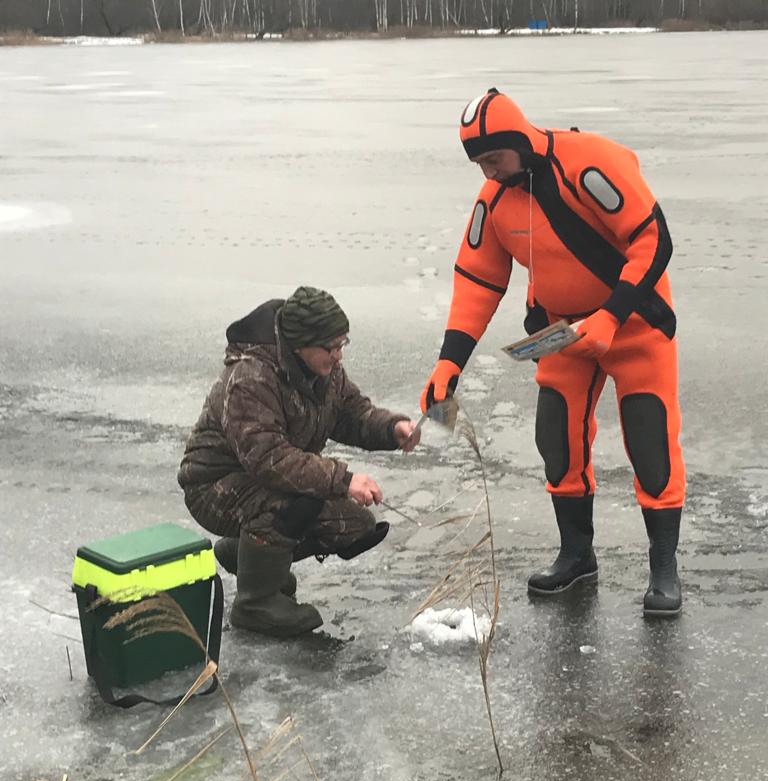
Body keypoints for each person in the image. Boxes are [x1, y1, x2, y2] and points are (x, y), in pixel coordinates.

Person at [420, 89, 685, 618]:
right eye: (478, 164)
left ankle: (663, 568)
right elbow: (477, 280)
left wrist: (611, 318)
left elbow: (653, 240)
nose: (488, 173)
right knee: (556, 440)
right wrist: (450, 362)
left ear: (518, 141)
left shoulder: (590, 164)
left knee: (650, 439)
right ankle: (576, 554)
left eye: (494, 159)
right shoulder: (494, 200)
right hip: (561, 333)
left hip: (633, 323)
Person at [179, 285, 420, 638]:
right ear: (300, 344)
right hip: (215, 487)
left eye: (342, 344)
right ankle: (255, 603)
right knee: (294, 505)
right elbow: (268, 459)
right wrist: (343, 479)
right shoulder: (251, 376)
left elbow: (352, 414)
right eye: (331, 346)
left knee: (353, 527)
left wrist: (391, 428)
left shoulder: (325, 371)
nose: (338, 355)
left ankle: (247, 555)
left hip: (267, 480)